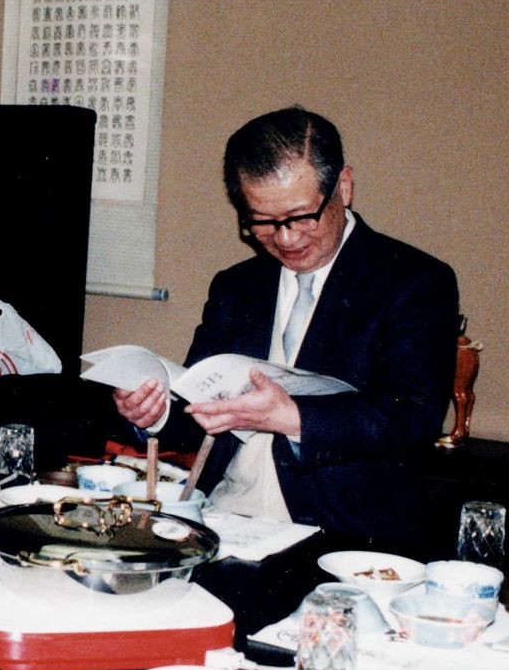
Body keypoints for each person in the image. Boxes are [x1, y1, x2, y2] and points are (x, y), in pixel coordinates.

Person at [113, 107, 458, 540]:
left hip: (337, 534)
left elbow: (412, 416)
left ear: (343, 187)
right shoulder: (237, 286)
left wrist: (292, 417)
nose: (286, 238)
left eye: (300, 216)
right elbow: (200, 407)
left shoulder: (412, 281)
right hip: (221, 518)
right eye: (262, 222)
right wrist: (155, 412)